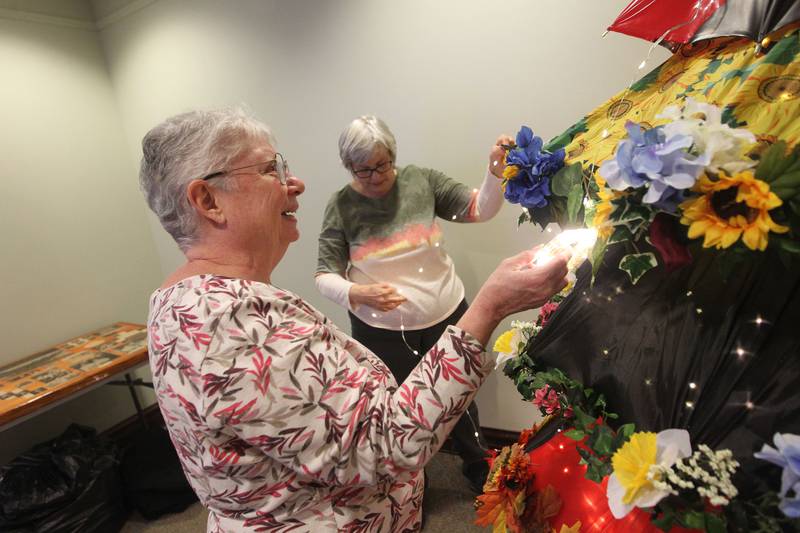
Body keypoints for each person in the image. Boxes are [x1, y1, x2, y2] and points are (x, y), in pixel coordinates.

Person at [140, 107, 568, 532]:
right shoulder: (232, 321)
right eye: (273, 169)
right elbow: (385, 446)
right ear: (208, 200)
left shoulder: (187, 300)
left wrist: (495, 177)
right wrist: (490, 306)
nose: (296, 183)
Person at [315, 116, 510, 492]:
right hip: (380, 329)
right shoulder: (340, 206)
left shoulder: (421, 180)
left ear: (393, 154)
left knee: (460, 395)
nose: (376, 176)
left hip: (447, 312)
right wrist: (356, 293)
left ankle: (477, 462)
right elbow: (324, 273)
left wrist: (495, 174)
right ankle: (406, 484)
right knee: (395, 409)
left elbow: (477, 209)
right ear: (348, 167)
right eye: (364, 169)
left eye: (382, 164)